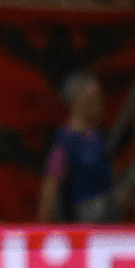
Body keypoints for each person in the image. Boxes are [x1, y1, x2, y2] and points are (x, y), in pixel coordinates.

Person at [38, 71, 117, 222]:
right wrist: (43, 227)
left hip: (109, 214)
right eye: (92, 99)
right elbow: (50, 184)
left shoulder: (97, 136)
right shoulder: (66, 140)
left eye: (99, 98)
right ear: (78, 101)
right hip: (87, 217)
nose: (99, 104)